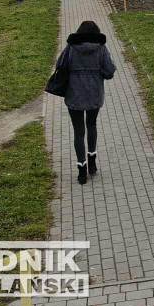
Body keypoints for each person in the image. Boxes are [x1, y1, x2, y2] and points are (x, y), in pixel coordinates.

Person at [56, 20, 116, 185]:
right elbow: (110, 71)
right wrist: (99, 72)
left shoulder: (71, 48)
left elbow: (60, 65)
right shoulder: (101, 49)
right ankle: (92, 163)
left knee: (78, 131)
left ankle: (81, 171)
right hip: (94, 94)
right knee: (91, 125)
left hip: (74, 95)